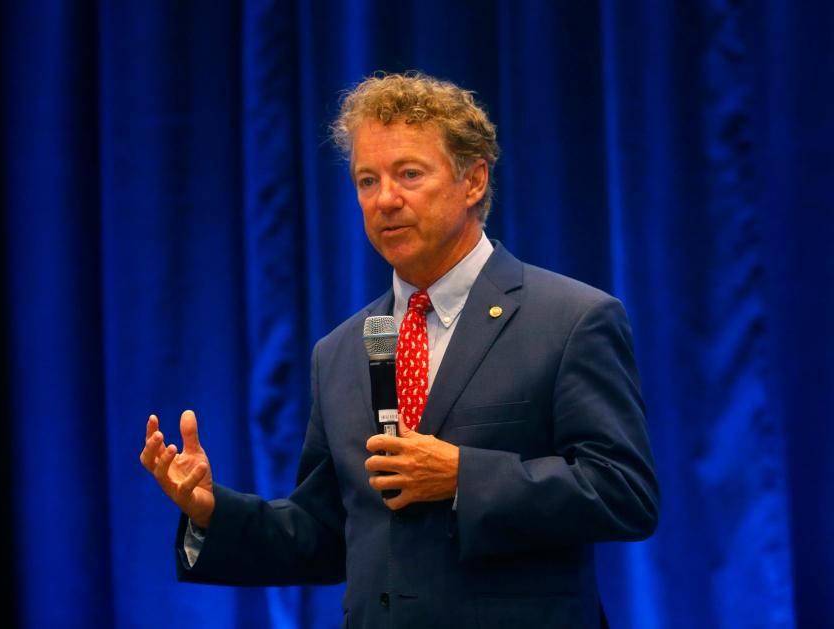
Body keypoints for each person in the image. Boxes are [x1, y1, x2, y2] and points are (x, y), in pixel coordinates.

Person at [140, 72, 659, 628]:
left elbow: (624, 492)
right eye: (367, 180)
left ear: (473, 180)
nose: (385, 199)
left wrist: (463, 476)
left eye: (409, 174)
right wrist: (211, 513)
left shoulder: (570, 319)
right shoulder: (339, 352)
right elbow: (327, 533)